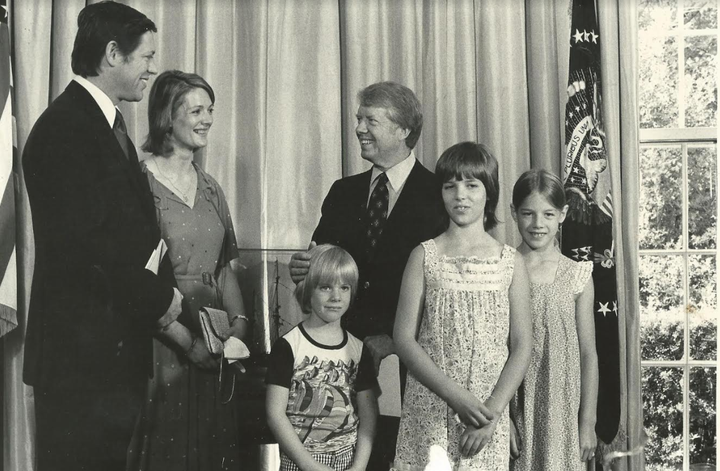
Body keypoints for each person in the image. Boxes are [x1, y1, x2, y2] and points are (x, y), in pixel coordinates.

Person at [22, 3, 183, 470]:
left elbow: (132, 236)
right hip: (81, 362)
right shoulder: (66, 130)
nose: (153, 69)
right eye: (146, 57)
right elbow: (89, 250)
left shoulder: (102, 124)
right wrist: (160, 301)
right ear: (113, 53)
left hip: (105, 358)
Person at [289, 81, 445, 468]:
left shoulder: (439, 195)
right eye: (359, 119)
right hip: (343, 364)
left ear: (404, 129)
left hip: (414, 367)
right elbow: (322, 268)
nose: (359, 128)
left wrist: (395, 339)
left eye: (370, 120)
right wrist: (304, 271)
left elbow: (446, 288)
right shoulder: (343, 192)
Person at [125, 70, 249, 471]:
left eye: (210, 109)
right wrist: (187, 343)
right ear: (166, 116)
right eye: (196, 110)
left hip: (214, 351)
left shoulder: (212, 187)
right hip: (163, 346)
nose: (208, 118)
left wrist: (239, 328)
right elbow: (135, 280)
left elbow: (224, 270)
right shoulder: (138, 182)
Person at [392, 142, 532, 470]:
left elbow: (522, 345)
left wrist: (492, 413)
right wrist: (457, 398)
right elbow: (403, 339)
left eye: (472, 185)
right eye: (450, 185)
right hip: (430, 410)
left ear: (489, 192)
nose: (460, 195)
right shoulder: (424, 256)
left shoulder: (510, 262)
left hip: (484, 420)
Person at [509, 169, 598, 470]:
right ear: (513, 213)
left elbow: (588, 353)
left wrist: (587, 422)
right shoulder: (502, 269)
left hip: (563, 412)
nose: (537, 224)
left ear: (563, 215)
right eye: (528, 213)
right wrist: (501, 418)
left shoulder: (577, 275)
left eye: (548, 214)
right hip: (515, 408)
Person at [266, 244, 379, 471]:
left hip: (348, 462)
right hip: (300, 463)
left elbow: (369, 416)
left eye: (344, 287)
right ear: (308, 289)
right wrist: (309, 466)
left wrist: (358, 468)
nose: (336, 296)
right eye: (325, 287)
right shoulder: (289, 346)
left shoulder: (358, 349)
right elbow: (275, 414)